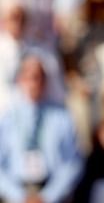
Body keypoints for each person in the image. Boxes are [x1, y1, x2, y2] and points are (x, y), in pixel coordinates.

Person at [0, 54, 84, 203]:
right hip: (17, 195)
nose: (33, 82)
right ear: (20, 79)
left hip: (53, 195)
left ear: (45, 81)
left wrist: (48, 196)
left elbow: (73, 163)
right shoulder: (8, 119)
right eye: (28, 76)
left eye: (38, 77)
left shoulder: (62, 117)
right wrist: (20, 197)